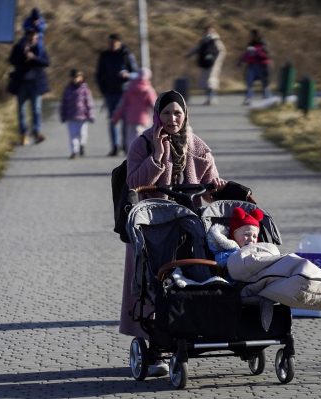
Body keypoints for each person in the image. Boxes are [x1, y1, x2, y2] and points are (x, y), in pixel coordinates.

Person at [120, 90, 227, 376]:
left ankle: (188, 333)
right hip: (153, 226)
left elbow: (210, 191)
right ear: (157, 115)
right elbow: (134, 182)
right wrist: (158, 155)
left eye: (177, 113)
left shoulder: (196, 144)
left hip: (188, 225)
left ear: (185, 115)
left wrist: (215, 185)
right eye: (166, 113)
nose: (172, 118)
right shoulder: (142, 143)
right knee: (154, 284)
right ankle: (154, 348)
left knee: (191, 280)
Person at [96, 33, 138, 156]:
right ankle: (114, 146)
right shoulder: (104, 56)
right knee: (112, 119)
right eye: (110, 42)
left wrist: (128, 75)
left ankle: (126, 145)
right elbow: (99, 75)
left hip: (125, 92)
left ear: (119, 42)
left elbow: (136, 73)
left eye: (114, 42)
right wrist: (103, 89)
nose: (112, 45)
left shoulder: (127, 55)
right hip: (110, 92)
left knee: (126, 120)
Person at [7, 29, 50, 146]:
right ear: (26, 37)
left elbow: (46, 63)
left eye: (35, 38)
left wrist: (33, 57)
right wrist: (23, 55)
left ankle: (36, 133)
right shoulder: (18, 47)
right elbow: (11, 60)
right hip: (21, 83)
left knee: (36, 109)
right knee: (21, 110)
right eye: (31, 37)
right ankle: (23, 135)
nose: (33, 40)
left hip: (35, 84)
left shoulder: (40, 49)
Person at [111, 67, 157, 152]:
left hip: (130, 118)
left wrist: (115, 117)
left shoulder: (129, 89)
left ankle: (132, 156)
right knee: (143, 138)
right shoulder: (148, 90)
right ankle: (141, 157)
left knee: (131, 139)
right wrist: (160, 117)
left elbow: (122, 105)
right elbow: (154, 105)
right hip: (144, 118)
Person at [185, 25, 226, 105]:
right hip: (204, 63)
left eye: (211, 31)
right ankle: (209, 98)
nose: (209, 32)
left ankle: (212, 98)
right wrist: (189, 54)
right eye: (207, 31)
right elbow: (197, 49)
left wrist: (217, 61)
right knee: (206, 82)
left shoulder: (216, 40)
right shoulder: (203, 41)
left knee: (211, 81)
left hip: (213, 64)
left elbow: (222, 51)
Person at [59, 69, 95, 159]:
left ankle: (82, 145)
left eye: (77, 77)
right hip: (71, 116)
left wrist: (91, 115)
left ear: (81, 77)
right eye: (74, 77)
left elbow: (89, 103)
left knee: (82, 134)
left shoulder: (85, 89)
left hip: (83, 116)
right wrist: (63, 115)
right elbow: (64, 103)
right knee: (73, 135)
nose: (75, 79)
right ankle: (74, 151)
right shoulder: (67, 89)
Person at [238, 29, 272, 105]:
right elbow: (246, 54)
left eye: (252, 35)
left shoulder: (263, 43)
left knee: (265, 83)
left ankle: (267, 98)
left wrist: (256, 50)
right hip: (252, 65)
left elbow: (267, 54)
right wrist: (241, 60)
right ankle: (248, 98)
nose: (250, 37)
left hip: (262, 65)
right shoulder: (250, 44)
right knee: (249, 82)